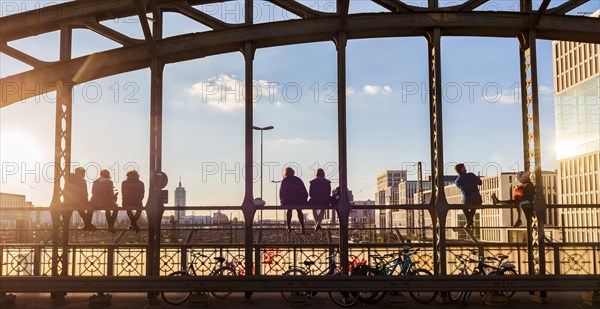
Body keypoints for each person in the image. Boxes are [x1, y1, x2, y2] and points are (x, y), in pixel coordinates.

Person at [63, 167, 96, 231]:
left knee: (77, 211)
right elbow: (85, 193)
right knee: (91, 206)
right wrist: (86, 202)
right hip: (78, 202)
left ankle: (87, 225)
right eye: (84, 173)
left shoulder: (69, 178)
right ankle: (88, 225)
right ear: (81, 173)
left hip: (67, 202)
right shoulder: (82, 181)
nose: (84, 175)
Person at [280, 167, 308, 234]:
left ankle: (289, 227)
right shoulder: (298, 180)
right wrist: (304, 200)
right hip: (298, 200)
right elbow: (305, 192)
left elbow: (281, 192)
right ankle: (302, 226)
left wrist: (282, 201)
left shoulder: (284, 180)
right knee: (299, 210)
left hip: (288, 201)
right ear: (293, 172)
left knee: (289, 210)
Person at [454, 163, 481, 229]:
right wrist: (475, 182)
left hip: (467, 199)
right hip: (477, 199)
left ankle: (469, 222)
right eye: (464, 167)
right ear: (462, 169)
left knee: (463, 206)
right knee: (474, 206)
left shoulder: (457, 181)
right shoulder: (471, 175)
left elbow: (464, 188)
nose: (466, 168)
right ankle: (470, 222)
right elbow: (480, 182)